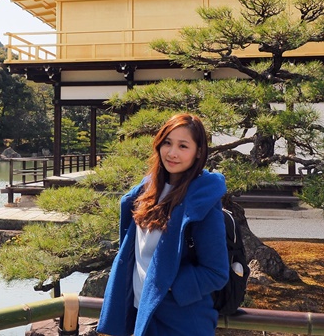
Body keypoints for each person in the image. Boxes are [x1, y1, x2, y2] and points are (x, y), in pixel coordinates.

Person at [97, 113, 229, 336]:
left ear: (198, 152)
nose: (172, 152)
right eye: (167, 142)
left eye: (183, 146)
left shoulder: (201, 200)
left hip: (182, 321)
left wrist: (167, 286)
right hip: (144, 314)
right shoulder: (145, 192)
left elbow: (216, 272)